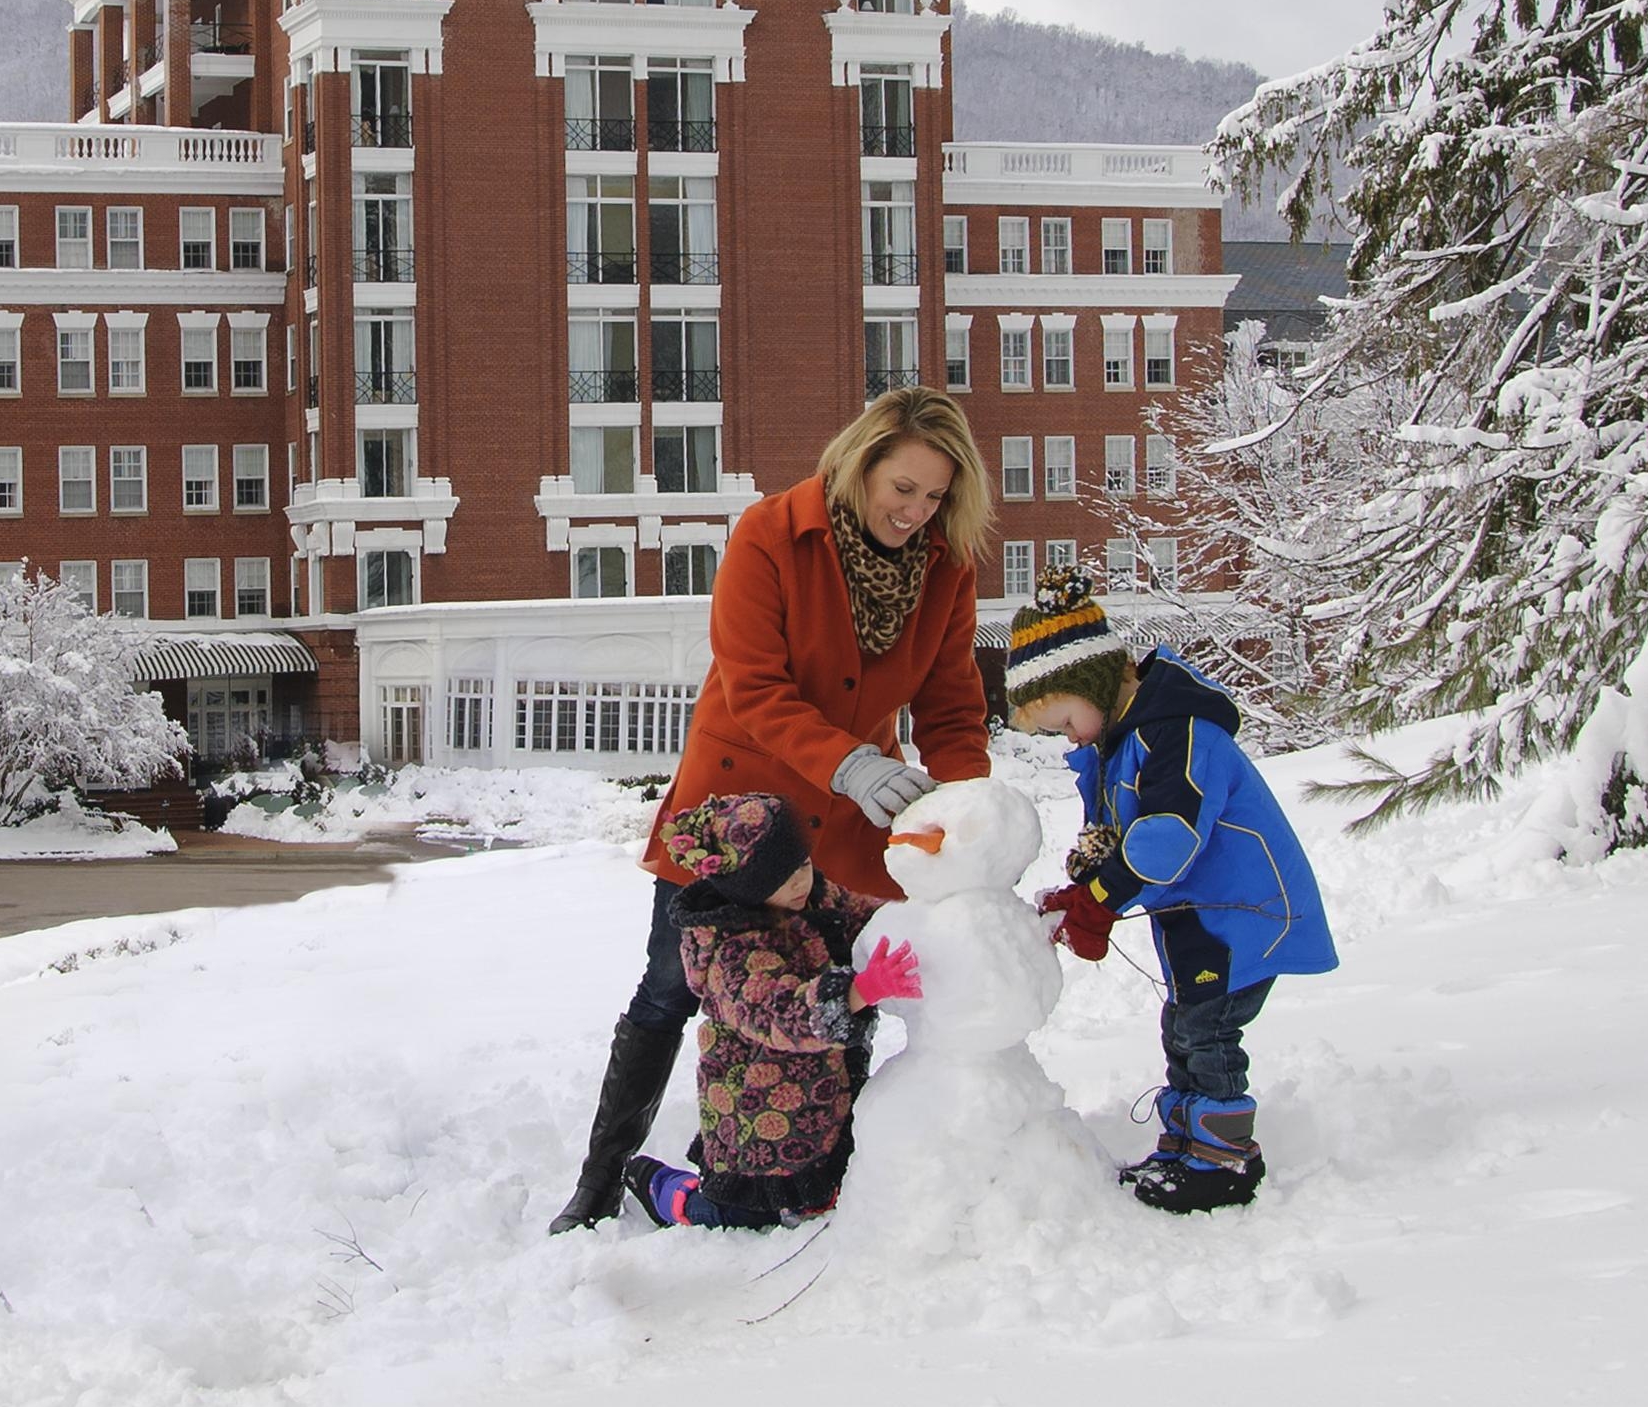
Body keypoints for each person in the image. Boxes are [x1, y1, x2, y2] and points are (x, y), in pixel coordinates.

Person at [545, 387, 997, 1231]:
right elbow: (754, 687)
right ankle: (601, 1180)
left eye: (936, 497)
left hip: (853, 820)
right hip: (741, 816)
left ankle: (823, 1166)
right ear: (861, 464)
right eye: (903, 488)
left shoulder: (947, 568)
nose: (916, 511)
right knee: (672, 988)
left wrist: (970, 808)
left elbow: (950, 707)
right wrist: (849, 761)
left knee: (841, 993)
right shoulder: (770, 534)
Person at [1000, 570, 1338, 1211]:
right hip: (1195, 914)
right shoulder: (1124, 739)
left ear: (1092, 683)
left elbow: (1166, 838)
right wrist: (1086, 889)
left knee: (1205, 1030)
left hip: (1239, 911)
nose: (1068, 738)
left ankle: (1224, 1159)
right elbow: (1116, 831)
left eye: (1064, 721)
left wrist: (1101, 898)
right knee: (1185, 1025)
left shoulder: (1177, 730)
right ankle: (1187, 1143)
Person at [621, 788, 914, 1227]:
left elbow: (865, 918)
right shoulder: (729, 950)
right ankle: (661, 1188)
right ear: (746, 888)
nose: (800, 882)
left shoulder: (815, 896)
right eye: (781, 877)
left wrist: (913, 923)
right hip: (757, 1116)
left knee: (829, 1183)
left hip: (820, 1096)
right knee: (740, 1213)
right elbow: (778, 1013)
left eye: (802, 865)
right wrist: (858, 991)